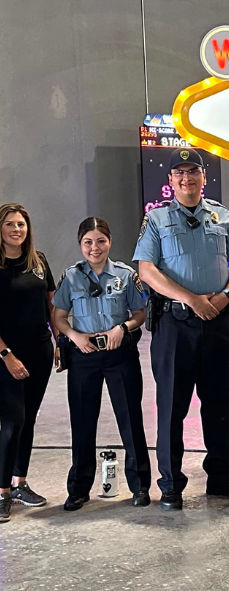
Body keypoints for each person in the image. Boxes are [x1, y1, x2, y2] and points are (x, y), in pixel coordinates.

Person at [134, 148, 229, 511]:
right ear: (170, 181)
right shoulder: (156, 219)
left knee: (218, 403)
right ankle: (170, 484)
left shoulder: (222, 215)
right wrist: (191, 299)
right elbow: (146, 270)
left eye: (193, 171)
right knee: (171, 406)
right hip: (175, 324)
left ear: (203, 177)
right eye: (179, 173)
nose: (187, 178)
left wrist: (227, 294)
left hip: (217, 322)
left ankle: (220, 475)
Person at [52, 217, 151, 511]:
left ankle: (140, 485)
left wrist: (123, 327)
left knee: (130, 419)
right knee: (82, 422)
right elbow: (58, 315)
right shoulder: (71, 277)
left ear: (109, 242)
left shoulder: (125, 274)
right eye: (88, 242)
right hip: (84, 355)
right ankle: (79, 488)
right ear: (80, 244)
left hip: (119, 353)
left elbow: (139, 313)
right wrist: (73, 336)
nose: (94, 248)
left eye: (100, 241)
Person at [0, 205, 58, 523]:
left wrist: (59, 340)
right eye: (9, 224)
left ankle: (20, 483)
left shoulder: (39, 261)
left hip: (40, 351)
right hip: (7, 355)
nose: (16, 229)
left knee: (29, 419)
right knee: (12, 421)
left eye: (21, 224)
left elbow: (51, 304)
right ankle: (2, 492)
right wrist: (7, 356)